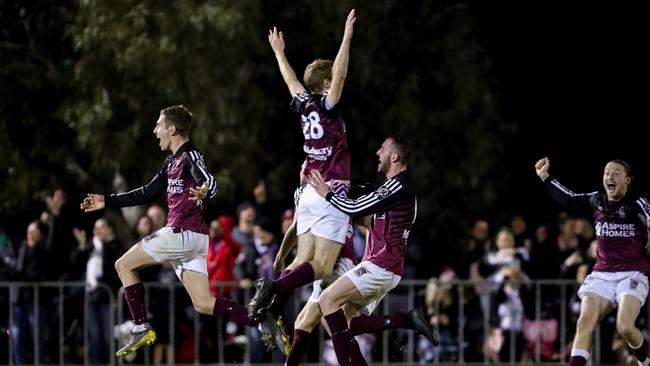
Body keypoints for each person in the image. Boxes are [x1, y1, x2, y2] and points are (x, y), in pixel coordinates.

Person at [80, 105, 258, 358]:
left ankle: (141, 326)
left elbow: (209, 180)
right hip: (192, 240)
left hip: (181, 232)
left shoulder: (189, 155)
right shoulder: (171, 162)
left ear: (171, 129)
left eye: (158, 125)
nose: (155, 131)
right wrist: (106, 200)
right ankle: (260, 318)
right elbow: (146, 192)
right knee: (204, 304)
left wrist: (207, 190)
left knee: (123, 265)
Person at [249, 9, 357, 321]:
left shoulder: (303, 103)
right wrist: (347, 37)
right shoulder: (326, 104)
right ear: (324, 83)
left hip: (308, 192)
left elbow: (290, 79)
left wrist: (279, 53)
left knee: (302, 263)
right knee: (321, 267)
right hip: (331, 190)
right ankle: (270, 288)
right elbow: (340, 75)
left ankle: (271, 306)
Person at [308, 136, 438, 365]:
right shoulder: (387, 184)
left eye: (383, 148)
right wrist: (337, 186)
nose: (378, 152)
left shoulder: (399, 186)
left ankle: (406, 320)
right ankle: (406, 320)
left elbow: (355, 207)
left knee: (327, 301)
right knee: (335, 322)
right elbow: (359, 194)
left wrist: (327, 195)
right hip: (381, 267)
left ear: (394, 157)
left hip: (381, 266)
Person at [534, 157, 650, 366]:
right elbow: (569, 199)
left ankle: (646, 360)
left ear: (628, 180)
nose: (610, 176)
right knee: (584, 323)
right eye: (607, 172)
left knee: (624, 327)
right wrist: (545, 177)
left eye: (616, 173)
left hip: (632, 273)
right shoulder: (597, 200)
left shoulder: (637, 204)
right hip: (602, 274)